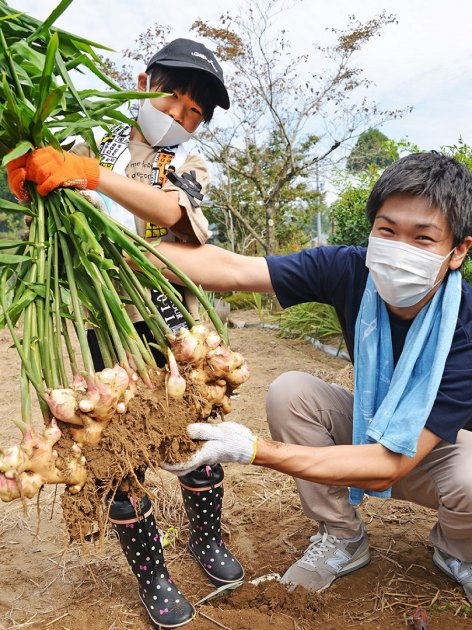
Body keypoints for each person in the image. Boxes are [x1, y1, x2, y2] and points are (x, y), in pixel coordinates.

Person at [123, 151, 471, 603]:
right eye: (388, 231)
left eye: (423, 239)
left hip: (436, 456)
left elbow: (393, 463)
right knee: (292, 392)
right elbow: (234, 269)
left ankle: (457, 550)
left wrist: (253, 450)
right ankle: (343, 538)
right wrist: (120, 250)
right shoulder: (350, 268)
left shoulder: (464, 326)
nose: (399, 249)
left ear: (459, 250)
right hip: (372, 430)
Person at [9, 38, 243, 629]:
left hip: (167, 324)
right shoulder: (86, 140)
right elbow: (47, 199)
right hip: (100, 328)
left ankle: (206, 541)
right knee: (116, 453)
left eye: (195, 115)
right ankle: (153, 577)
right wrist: (30, 181)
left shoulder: (184, 165)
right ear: (144, 83)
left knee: (193, 432)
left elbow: (171, 216)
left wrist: (89, 178)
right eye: (174, 100)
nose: (181, 118)